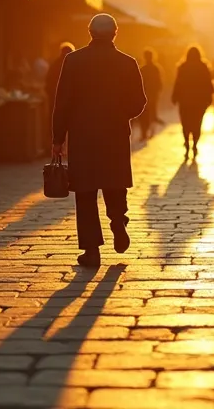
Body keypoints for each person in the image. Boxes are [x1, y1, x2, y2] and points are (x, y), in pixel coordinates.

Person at [51, 15, 146, 268]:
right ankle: (118, 220)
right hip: (115, 133)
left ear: (90, 32)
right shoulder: (127, 62)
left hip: (83, 135)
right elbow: (139, 101)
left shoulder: (74, 61)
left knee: (85, 191)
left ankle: (92, 251)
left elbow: (62, 103)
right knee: (115, 182)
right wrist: (121, 114)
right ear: (115, 33)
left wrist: (58, 138)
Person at [171, 46, 214, 159]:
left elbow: (178, 83)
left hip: (185, 101)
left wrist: (175, 97)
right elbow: (208, 84)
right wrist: (210, 98)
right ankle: (195, 144)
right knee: (197, 124)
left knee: (185, 124)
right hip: (199, 102)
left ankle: (187, 143)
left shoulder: (183, 67)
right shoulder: (203, 67)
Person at [45, 42, 74, 139]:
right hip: (67, 98)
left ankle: (54, 136)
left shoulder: (55, 64)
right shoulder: (72, 64)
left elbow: (48, 81)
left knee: (54, 117)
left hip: (55, 96)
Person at [137, 49, 163, 141]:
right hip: (153, 94)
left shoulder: (142, 69)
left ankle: (144, 133)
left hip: (144, 95)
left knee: (144, 114)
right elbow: (159, 83)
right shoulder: (156, 68)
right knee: (152, 113)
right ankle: (150, 131)